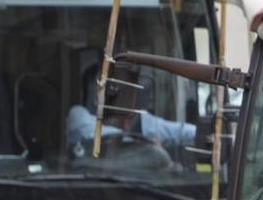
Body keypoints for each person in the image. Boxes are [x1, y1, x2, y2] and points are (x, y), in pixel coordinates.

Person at [64, 63, 196, 158]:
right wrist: (145, 143)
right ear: (93, 95)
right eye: (104, 86)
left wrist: (207, 134)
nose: (112, 91)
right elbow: (97, 136)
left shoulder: (139, 119)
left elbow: (180, 131)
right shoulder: (79, 115)